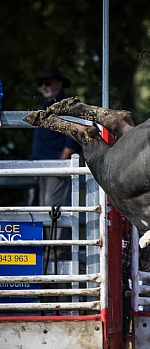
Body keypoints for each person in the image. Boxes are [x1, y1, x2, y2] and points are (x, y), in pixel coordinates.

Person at [31, 68, 81, 252]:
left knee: (55, 216)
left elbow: (73, 138)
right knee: (45, 214)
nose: (44, 86)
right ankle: (51, 265)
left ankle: (57, 266)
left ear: (59, 83)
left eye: (48, 82)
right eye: (42, 83)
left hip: (55, 168)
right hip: (42, 169)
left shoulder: (64, 106)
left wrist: (61, 164)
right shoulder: (46, 105)